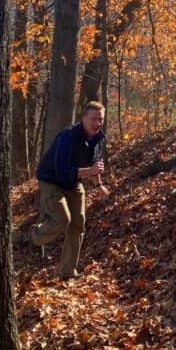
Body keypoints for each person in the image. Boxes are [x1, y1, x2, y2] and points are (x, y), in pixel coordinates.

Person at [30, 101, 108, 279]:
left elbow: (94, 166)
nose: (97, 123)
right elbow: (62, 172)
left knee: (78, 224)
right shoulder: (68, 137)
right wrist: (90, 172)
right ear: (83, 118)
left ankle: (67, 271)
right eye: (93, 119)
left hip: (73, 183)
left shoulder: (96, 139)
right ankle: (34, 237)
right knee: (62, 220)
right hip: (52, 181)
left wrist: (99, 185)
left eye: (100, 119)